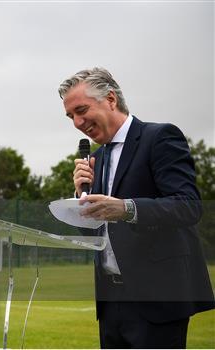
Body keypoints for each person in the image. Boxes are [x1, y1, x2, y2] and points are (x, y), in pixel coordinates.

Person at [62, 67, 215, 348]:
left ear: (110, 99)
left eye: (81, 110)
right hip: (110, 300)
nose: (77, 122)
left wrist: (127, 209)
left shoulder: (160, 137)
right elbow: (95, 227)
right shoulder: (99, 158)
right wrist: (79, 195)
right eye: (71, 116)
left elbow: (188, 205)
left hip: (156, 300)